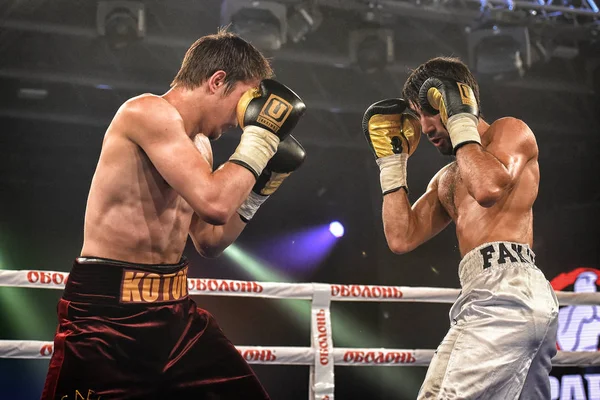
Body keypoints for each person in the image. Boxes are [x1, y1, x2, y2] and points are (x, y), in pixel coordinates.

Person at [41, 30, 307, 400]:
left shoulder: (200, 145)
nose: (244, 119)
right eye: (245, 101)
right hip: (106, 316)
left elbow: (210, 240)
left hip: (175, 314)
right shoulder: (147, 112)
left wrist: (259, 190)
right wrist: (262, 139)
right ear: (217, 82)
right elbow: (215, 203)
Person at [362, 56, 559, 399]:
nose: (424, 127)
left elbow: (487, 189)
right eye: (418, 116)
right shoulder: (448, 178)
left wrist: (460, 121)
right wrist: (392, 164)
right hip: (480, 298)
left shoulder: (510, 131)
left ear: (457, 100)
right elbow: (400, 237)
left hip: (510, 291)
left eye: (432, 111)